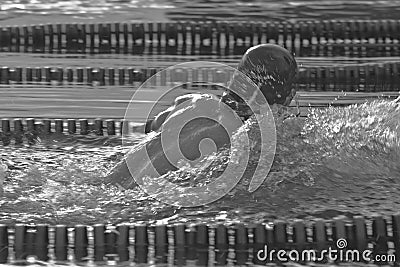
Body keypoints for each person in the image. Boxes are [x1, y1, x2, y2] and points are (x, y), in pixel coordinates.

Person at [105, 44, 298, 188]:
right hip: (140, 195)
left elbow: (154, 126)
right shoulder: (253, 133)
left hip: (111, 178)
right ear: (286, 96)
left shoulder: (190, 101)